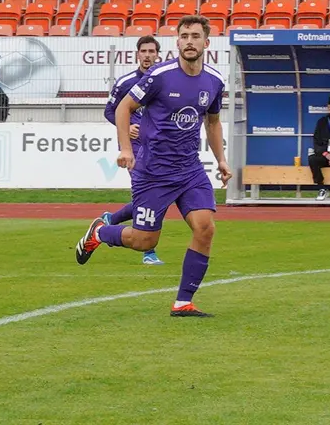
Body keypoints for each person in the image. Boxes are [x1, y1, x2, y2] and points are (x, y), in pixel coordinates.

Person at [78, 16, 230, 317]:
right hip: (153, 171)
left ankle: (183, 301)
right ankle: (100, 232)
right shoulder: (160, 76)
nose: (189, 41)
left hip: (190, 170)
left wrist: (221, 159)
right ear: (177, 42)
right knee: (144, 240)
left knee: (205, 228)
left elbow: (212, 122)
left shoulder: (214, 81)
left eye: (195, 36)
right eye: (184, 35)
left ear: (206, 43)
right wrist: (125, 148)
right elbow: (124, 108)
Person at [94, 36, 164, 265]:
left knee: (157, 196)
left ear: (158, 55)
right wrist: (127, 126)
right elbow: (109, 111)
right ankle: (148, 251)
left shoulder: (165, 80)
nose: (147, 55)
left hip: (159, 148)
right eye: (143, 51)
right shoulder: (126, 82)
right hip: (134, 148)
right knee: (148, 197)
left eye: (151, 51)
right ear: (137, 55)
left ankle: (110, 219)